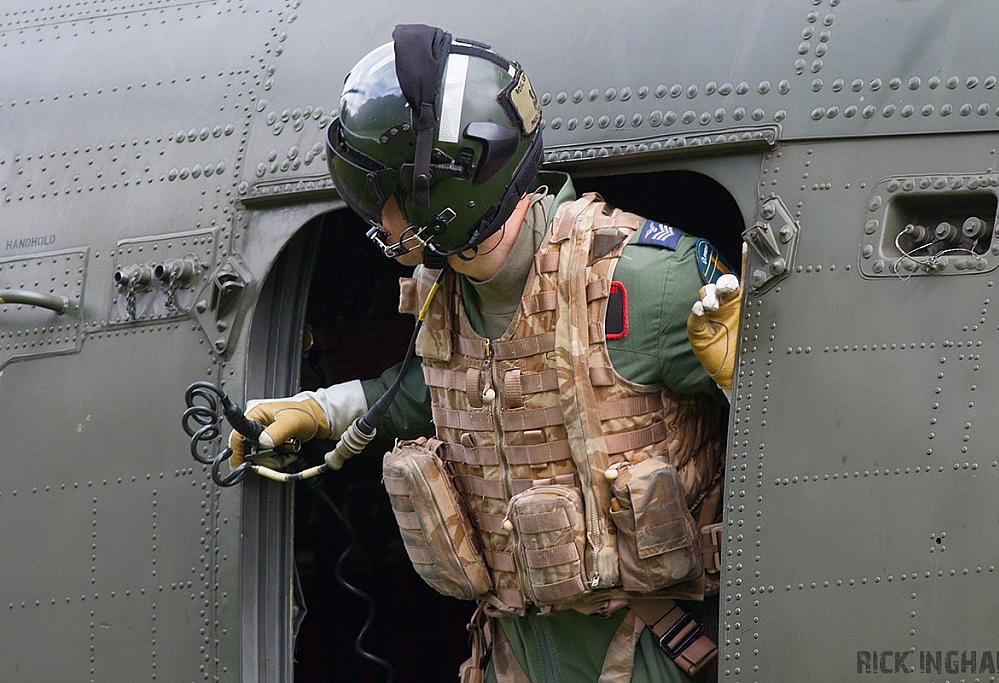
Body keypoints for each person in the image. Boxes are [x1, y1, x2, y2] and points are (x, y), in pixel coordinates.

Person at [232, 24, 742, 683]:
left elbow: (801, 426)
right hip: (512, 654)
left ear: (444, 195)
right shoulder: (446, 298)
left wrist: (739, 374)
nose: (374, 221)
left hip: (651, 648)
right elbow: (427, 389)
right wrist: (316, 409)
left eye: (382, 193)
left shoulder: (641, 278)